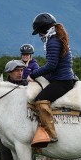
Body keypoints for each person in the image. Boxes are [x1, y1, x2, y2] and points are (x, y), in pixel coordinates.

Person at [29, 12, 77, 148]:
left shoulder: (52, 41)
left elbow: (51, 65)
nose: (39, 35)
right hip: (63, 77)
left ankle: (51, 134)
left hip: (62, 80)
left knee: (39, 101)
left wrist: (33, 75)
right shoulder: (58, 37)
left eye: (39, 32)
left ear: (43, 30)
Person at [0, 60, 36, 160]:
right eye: (16, 70)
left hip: (25, 134)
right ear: (9, 72)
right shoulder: (2, 89)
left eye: (21, 70)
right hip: (7, 134)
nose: (20, 73)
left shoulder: (29, 87)